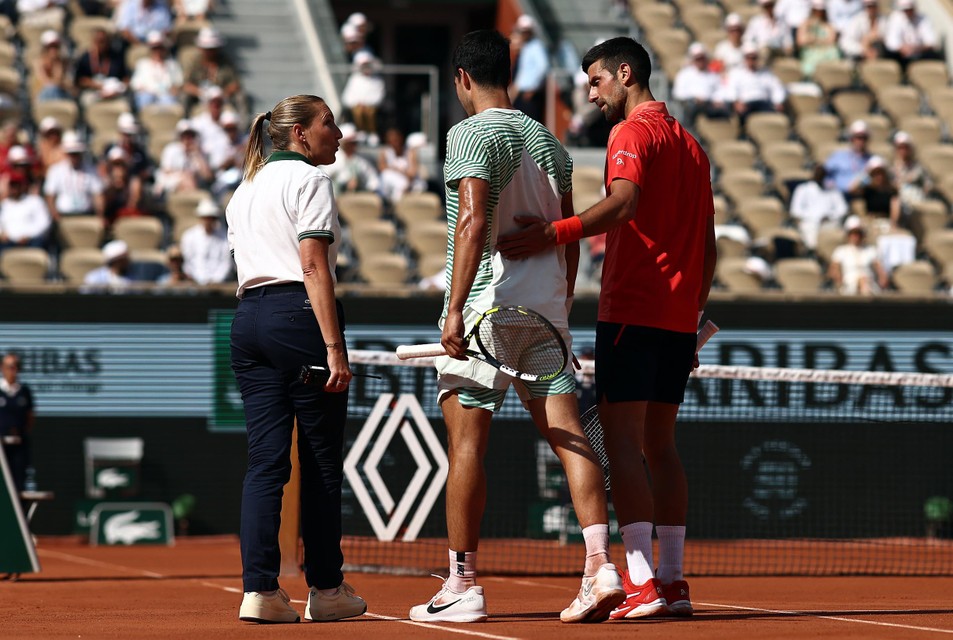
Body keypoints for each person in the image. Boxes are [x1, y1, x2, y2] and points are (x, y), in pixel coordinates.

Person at [497, 36, 718, 620]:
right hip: (675, 318)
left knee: (622, 444)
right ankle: (671, 581)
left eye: (596, 81)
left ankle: (641, 581)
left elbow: (622, 202)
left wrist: (553, 232)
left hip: (632, 310)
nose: (591, 93)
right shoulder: (693, 146)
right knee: (661, 447)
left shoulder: (631, 133)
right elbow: (709, 246)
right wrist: (692, 313)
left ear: (626, 73)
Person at [409, 29, 624, 626]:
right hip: (547, 308)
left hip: (485, 309)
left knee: (466, 444)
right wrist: (561, 303)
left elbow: (474, 221)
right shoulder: (551, 144)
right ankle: (601, 564)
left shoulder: (469, 133)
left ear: (461, 79)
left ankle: (463, 584)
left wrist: (453, 309)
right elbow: (572, 234)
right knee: (566, 431)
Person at [224, 94, 366, 624]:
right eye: (329, 123)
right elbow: (312, 265)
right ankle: (326, 589)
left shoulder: (244, 189)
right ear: (301, 135)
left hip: (248, 320)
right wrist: (333, 346)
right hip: (297, 319)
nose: (340, 132)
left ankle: (259, 591)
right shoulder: (310, 181)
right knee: (321, 462)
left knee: (265, 463)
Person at [43, 132, 105, 222]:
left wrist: (100, 214)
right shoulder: (55, 171)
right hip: (63, 215)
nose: (74, 157)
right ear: (66, 154)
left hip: (86, 214)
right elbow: (50, 196)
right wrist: (54, 214)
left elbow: (98, 194)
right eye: (71, 153)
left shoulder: (91, 170)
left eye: (76, 153)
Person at [722, 43, 787, 124]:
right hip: (746, 104)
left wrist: (778, 102)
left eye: (753, 58)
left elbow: (778, 88)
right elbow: (731, 89)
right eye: (748, 58)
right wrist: (736, 102)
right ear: (744, 58)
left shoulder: (766, 73)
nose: (751, 61)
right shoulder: (736, 73)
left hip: (763, 103)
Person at [789, 164, 848, 250]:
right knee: (810, 232)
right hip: (809, 223)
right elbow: (795, 210)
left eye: (822, 174)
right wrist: (814, 217)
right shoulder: (803, 189)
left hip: (829, 223)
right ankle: (813, 252)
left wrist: (830, 216)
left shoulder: (832, 190)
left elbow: (842, 208)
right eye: (818, 174)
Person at [0, 353, 35, 493]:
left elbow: (30, 417)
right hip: (1, 447)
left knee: (19, 483)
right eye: (10, 367)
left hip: (19, 447)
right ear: (2, 368)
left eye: (16, 367)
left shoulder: (24, 392)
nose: (13, 370)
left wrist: (19, 432)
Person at [671, 43, 729, 126]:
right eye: (697, 59)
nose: (700, 61)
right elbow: (678, 93)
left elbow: (720, 90)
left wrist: (717, 100)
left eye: (702, 58)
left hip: (709, 104)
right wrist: (694, 98)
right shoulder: (684, 74)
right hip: (691, 104)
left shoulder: (713, 74)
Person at [829, 215, 888, 293]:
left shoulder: (871, 250)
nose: (856, 236)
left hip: (870, 283)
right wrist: (839, 280)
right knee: (862, 282)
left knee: (864, 282)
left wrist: (882, 279)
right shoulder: (840, 251)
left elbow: (880, 269)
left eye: (858, 233)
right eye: (853, 233)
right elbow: (834, 269)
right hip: (848, 285)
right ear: (848, 234)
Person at [73, 27, 130, 109]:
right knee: (86, 101)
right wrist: (97, 85)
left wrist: (120, 88)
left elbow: (125, 78)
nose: (100, 45)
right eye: (98, 41)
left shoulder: (116, 57)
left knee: (124, 105)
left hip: (113, 92)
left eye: (103, 41)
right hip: (93, 91)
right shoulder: (86, 58)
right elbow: (79, 80)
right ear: (93, 42)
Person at [180, 197, 232, 284]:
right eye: (205, 218)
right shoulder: (189, 236)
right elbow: (187, 261)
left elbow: (226, 262)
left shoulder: (224, 237)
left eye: (211, 218)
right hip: (195, 282)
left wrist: (216, 280)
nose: (208, 221)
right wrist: (196, 278)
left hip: (218, 284)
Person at [129, 30, 183, 110]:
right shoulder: (143, 64)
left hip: (166, 95)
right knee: (145, 98)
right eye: (154, 48)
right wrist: (145, 90)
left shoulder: (172, 64)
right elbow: (135, 84)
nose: (157, 51)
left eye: (160, 48)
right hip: (147, 95)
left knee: (169, 101)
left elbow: (179, 82)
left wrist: (175, 89)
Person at [509, 15, 549, 123]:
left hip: (530, 94)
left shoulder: (536, 46)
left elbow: (543, 67)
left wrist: (533, 88)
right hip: (522, 94)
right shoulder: (526, 47)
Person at [0, 170, 52, 250]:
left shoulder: (35, 201)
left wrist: (28, 236)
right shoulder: (4, 205)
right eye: (12, 185)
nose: (14, 189)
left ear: (23, 186)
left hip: (32, 241)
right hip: (9, 242)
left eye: (17, 185)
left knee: (40, 243)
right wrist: (2, 233)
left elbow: (44, 223)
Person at [324, 122, 379, 195]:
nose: (354, 145)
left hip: (357, 198)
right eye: (351, 143)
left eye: (355, 142)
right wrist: (344, 185)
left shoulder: (360, 160)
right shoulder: (332, 158)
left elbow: (373, 181)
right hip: (336, 198)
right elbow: (325, 179)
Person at [340, 51, 385, 141]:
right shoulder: (354, 79)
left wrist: (367, 103)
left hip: (371, 107)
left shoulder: (377, 80)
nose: (366, 68)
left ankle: (372, 133)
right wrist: (357, 103)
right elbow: (347, 97)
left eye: (368, 65)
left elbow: (379, 97)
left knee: (370, 112)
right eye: (363, 66)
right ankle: (361, 131)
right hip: (357, 106)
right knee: (358, 111)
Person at [884, 0, 939, 68]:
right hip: (901, 56)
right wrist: (903, 48)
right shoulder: (895, 18)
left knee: (933, 55)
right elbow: (891, 42)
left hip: (920, 55)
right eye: (905, 10)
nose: (908, 12)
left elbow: (932, 41)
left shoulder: (923, 18)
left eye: (910, 9)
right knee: (889, 55)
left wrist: (917, 48)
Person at [849, 155, 901, 227]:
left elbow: (895, 210)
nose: (878, 176)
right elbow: (851, 190)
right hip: (870, 223)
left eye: (881, 173)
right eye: (875, 173)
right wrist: (863, 175)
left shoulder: (891, 191)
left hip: (886, 223)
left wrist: (893, 224)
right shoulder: (867, 190)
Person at [377, 127, 425, 205]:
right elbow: (382, 169)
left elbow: (412, 173)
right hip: (391, 184)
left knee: (401, 184)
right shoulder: (385, 152)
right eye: (391, 141)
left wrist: (397, 171)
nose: (394, 143)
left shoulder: (410, 152)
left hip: (410, 184)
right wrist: (399, 171)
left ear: (401, 139)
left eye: (396, 140)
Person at [824, 119, 872, 195]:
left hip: (862, 197)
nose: (861, 141)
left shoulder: (872, 160)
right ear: (851, 138)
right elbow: (825, 175)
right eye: (858, 137)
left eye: (864, 137)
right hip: (838, 197)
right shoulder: (838, 157)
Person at [796, 0, 842, 79]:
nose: (819, 13)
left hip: (825, 53)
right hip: (810, 54)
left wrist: (814, 39)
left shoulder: (828, 24)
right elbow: (801, 41)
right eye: (817, 10)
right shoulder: (806, 24)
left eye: (820, 11)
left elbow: (832, 40)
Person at [891, 130, 932, 214]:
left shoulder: (919, 169)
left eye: (906, 147)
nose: (903, 150)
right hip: (902, 206)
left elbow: (928, 186)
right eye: (900, 147)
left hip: (918, 204)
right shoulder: (892, 169)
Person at [31, 29, 73, 102]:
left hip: (60, 93)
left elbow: (66, 83)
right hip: (44, 95)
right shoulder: (38, 63)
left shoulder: (63, 63)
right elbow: (45, 82)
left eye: (56, 46)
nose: (53, 50)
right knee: (51, 90)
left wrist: (57, 64)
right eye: (50, 47)